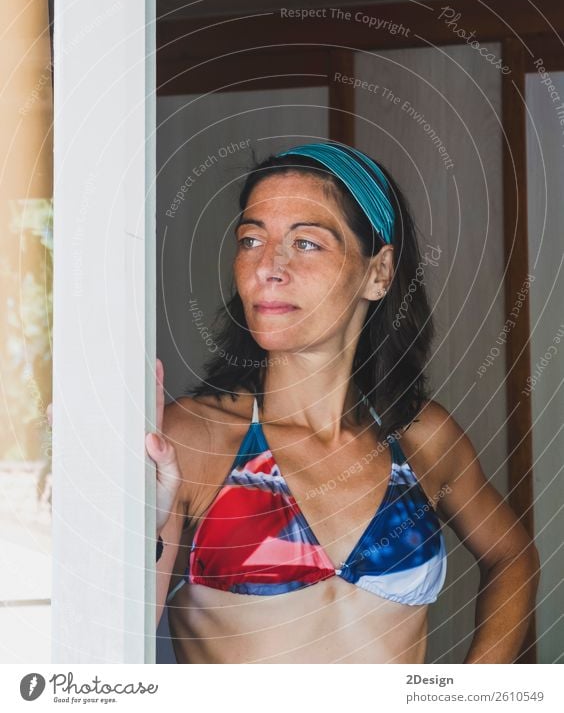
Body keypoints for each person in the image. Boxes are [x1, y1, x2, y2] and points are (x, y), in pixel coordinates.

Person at [145, 141, 540, 664]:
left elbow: (513, 556)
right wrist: (136, 530)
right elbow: (108, 636)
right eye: (251, 239)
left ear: (378, 273)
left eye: (306, 243)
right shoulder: (194, 438)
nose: (269, 266)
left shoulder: (421, 436)